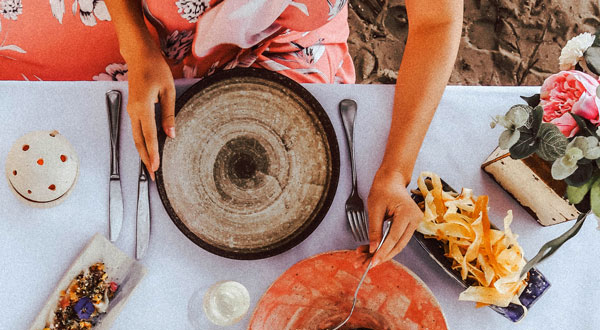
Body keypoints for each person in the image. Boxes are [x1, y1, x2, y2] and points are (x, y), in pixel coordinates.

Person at [1, 0, 462, 261]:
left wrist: (394, 172)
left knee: (300, 182)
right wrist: (136, 44)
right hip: (132, 20)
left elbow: (437, 21)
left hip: (285, 28)